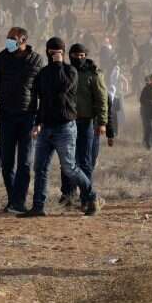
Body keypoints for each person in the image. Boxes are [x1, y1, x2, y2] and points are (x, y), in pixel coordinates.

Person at [21, 37, 100, 217]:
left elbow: (62, 87)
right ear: (47, 52)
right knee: (40, 167)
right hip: (46, 128)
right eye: (51, 51)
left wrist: (58, 65)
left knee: (70, 167)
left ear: (63, 53)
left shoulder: (70, 71)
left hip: (65, 128)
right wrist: (37, 123)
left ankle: (91, 196)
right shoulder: (43, 73)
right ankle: (38, 207)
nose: (54, 54)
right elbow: (42, 100)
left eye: (58, 51)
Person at [0, 26, 43, 214]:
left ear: (23, 40)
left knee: (25, 162)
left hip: (28, 116)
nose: (9, 41)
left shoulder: (36, 60)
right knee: (7, 161)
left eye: (13, 38)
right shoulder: (1, 58)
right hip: (6, 116)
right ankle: (13, 201)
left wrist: (40, 118)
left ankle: (19, 201)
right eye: (8, 38)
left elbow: (43, 91)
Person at [63, 43, 108, 204]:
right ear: (70, 56)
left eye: (82, 55)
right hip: (68, 121)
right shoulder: (66, 71)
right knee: (67, 160)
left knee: (85, 161)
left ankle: (86, 197)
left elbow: (102, 99)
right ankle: (68, 194)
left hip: (87, 122)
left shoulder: (93, 74)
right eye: (76, 56)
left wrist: (102, 122)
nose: (79, 58)